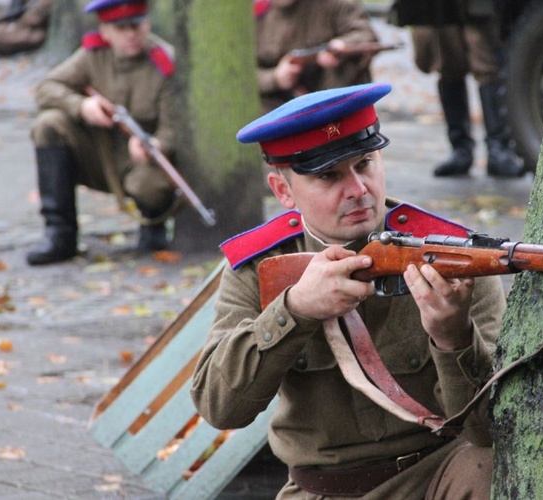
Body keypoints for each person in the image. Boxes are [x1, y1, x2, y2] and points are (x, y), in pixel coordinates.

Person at [191, 83, 506, 498]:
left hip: (442, 474)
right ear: (283, 191)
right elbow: (219, 406)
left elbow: (490, 429)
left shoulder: (450, 256)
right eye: (329, 176)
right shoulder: (258, 267)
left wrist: (453, 336)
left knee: (489, 473)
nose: (357, 188)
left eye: (366, 163)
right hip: (323, 488)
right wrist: (296, 309)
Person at [27, 0, 179, 266]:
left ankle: (153, 230)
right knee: (48, 124)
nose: (131, 34)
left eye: (136, 25)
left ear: (147, 23)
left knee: (151, 185)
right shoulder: (92, 55)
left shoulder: (164, 62)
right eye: (120, 28)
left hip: (141, 162)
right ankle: (60, 234)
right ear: (105, 31)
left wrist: (156, 144)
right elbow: (46, 88)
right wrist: (81, 106)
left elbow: (174, 124)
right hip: (97, 153)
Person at [393, 0, 525, 178]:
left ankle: (498, 149)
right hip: (442, 7)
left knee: (486, 61)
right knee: (448, 62)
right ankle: (460, 148)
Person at [254, 0, 379, 112]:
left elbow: (366, 35)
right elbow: (243, 76)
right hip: (282, 110)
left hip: (337, 104)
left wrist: (342, 45)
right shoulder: (255, 16)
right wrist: (275, 77)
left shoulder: (332, 5)